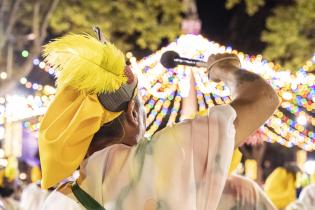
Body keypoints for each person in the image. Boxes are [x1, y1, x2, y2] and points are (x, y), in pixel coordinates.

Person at [40, 30, 279, 210]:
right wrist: (225, 70)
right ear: (133, 113)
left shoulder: (56, 201)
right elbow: (263, 97)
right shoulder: (164, 158)